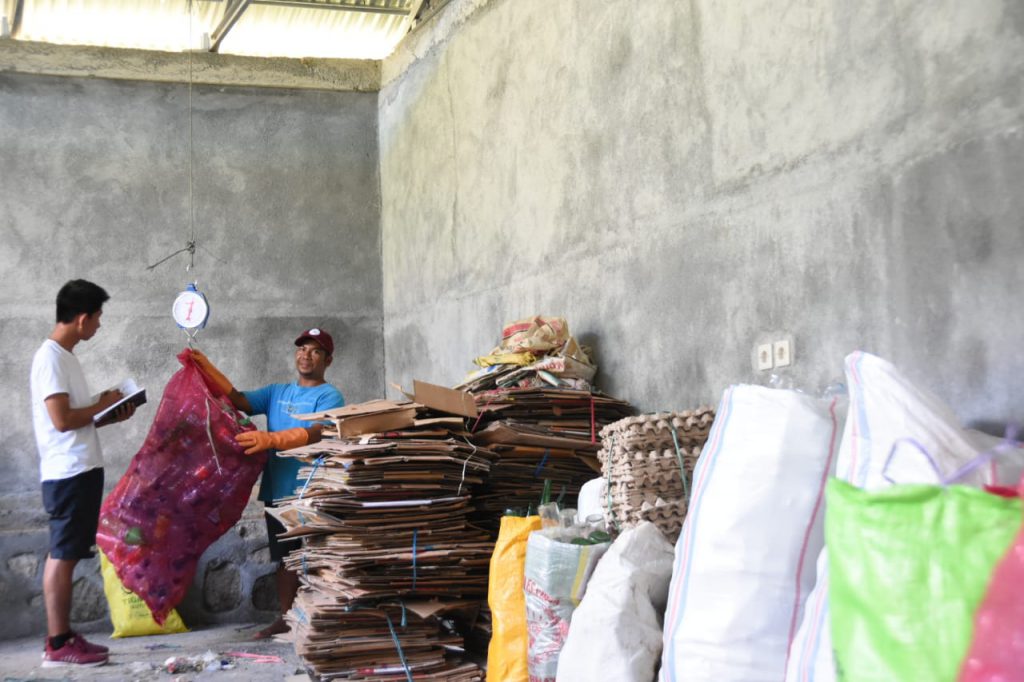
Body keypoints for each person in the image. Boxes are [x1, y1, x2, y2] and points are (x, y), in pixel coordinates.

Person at [191, 328, 344, 640]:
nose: (306, 355)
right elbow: (239, 401)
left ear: (328, 360)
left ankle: (320, 621)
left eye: (315, 351)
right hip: (278, 489)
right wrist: (205, 368)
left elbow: (318, 432)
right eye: (302, 348)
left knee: (316, 557)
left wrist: (272, 439)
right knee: (284, 560)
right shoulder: (277, 392)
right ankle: (287, 619)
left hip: (311, 490)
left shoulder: (329, 396)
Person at [31, 280, 137, 667]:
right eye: (98, 318)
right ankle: (58, 643)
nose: (99, 325)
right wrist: (100, 405)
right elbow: (61, 420)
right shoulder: (50, 358)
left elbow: (75, 419)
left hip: (80, 468)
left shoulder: (65, 356)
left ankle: (63, 635)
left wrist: (108, 412)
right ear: (81, 319)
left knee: (69, 554)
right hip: (67, 473)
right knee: (62, 555)